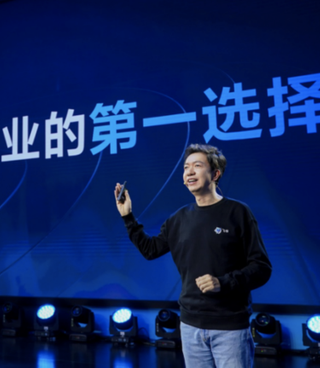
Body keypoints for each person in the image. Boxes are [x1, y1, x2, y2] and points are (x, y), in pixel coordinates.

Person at [114, 143, 272, 368]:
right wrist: (128, 217)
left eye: (197, 166)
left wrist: (222, 282)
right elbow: (150, 250)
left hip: (230, 327)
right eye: (186, 167)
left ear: (215, 174)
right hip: (190, 326)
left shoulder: (238, 212)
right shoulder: (178, 219)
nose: (189, 172)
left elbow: (262, 268)